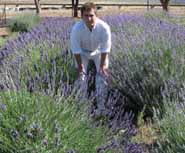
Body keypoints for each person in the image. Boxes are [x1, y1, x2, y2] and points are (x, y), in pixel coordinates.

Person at [70, 2, 111, 112]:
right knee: (81, 79)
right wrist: (81, 67)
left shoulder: (104, 27)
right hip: (82, 53)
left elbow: (105, 49)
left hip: (98, 52)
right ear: (81, 17)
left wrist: (102, 67)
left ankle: (101, 108)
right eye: (86, 16)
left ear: (96, 15)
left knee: (102, 78)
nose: (89, 18)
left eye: (91, 15)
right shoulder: (76, 29)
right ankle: (83, 109)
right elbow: (76, 50)